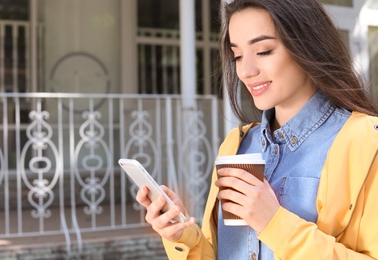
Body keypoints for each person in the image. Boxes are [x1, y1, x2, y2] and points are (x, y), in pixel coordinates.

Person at [136, 0, 378, 259]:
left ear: (308, 46)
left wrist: (274, 223)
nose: (246, 71)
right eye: (237, 55)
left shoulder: (364, 142)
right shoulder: (237, 146)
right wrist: (182, 236)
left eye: (263, 51)